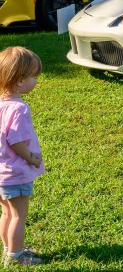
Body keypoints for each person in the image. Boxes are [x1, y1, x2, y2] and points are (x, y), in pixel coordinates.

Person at [0, 47, 44, 266]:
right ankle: (17, 257)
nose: (36, 82)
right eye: (33, 78)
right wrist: (31, 158)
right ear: (19, 82)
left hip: (1, 174)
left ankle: (9, 249)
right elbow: (16, 141)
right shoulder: (19, 109)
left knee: (6, 214)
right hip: (16, 172)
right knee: (18, 216)